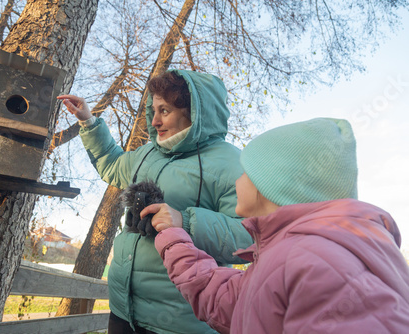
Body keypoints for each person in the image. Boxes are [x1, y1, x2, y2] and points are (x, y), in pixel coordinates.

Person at [146, 118, 409, 333]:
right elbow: (225, 301)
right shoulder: (290, 254)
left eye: (245, 172)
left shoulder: (314, 261)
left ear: (272, 186)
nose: (237, 180)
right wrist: (173, 238)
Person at [57, 69, 253, 333]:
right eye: (153, 110)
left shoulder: (231, 163)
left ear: (194, 113)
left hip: (181, 322)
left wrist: (185, 221)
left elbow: (250, 236)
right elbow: (113, 165)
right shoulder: (149, 153)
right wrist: (89, 122)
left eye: (165, 111)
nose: (155, 121)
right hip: (122, 311)